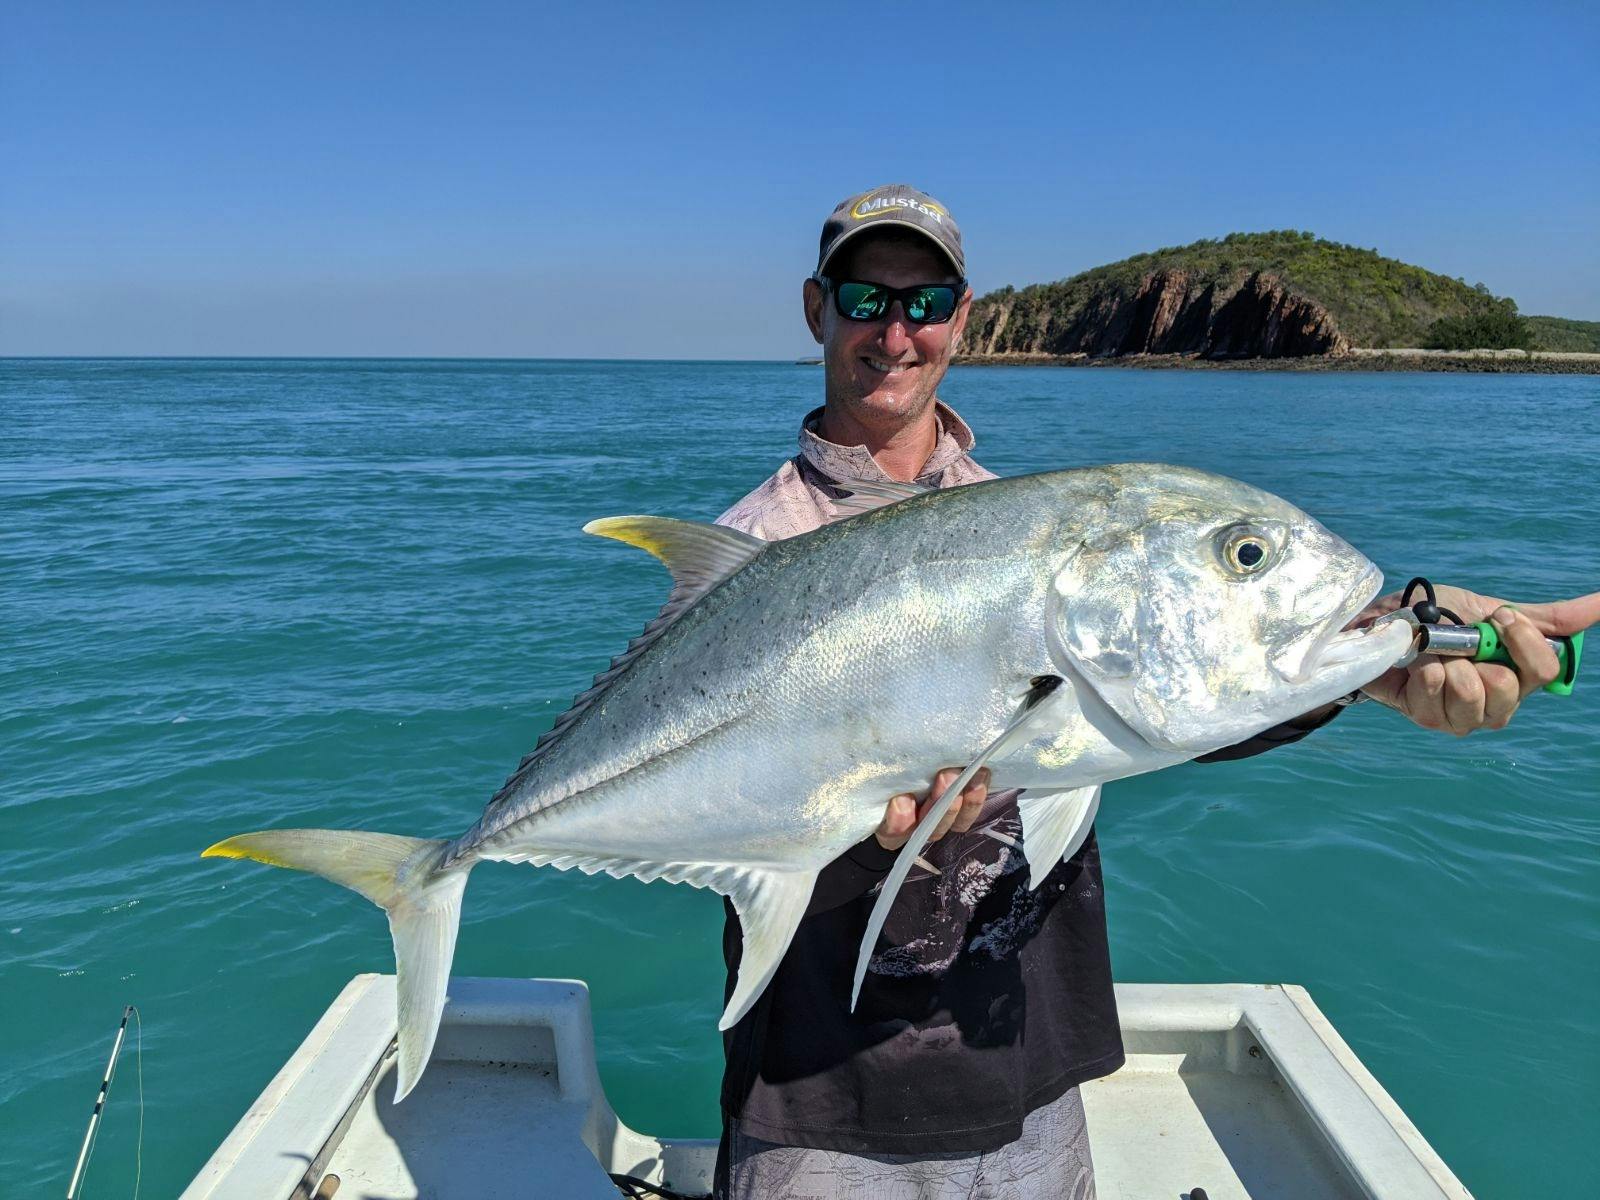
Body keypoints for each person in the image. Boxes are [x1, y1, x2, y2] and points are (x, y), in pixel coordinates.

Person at [709, 184, 1600, 1200]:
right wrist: (837, 817)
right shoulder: (751, 551)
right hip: (823, 1098)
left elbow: (1143, 692)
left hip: (1024, 1068)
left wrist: (1382, 659)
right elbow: (704, 802)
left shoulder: (1014, 524)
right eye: (867, 301)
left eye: (929, 301)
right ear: (818, 309)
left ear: (963, 315)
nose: (897, 333)